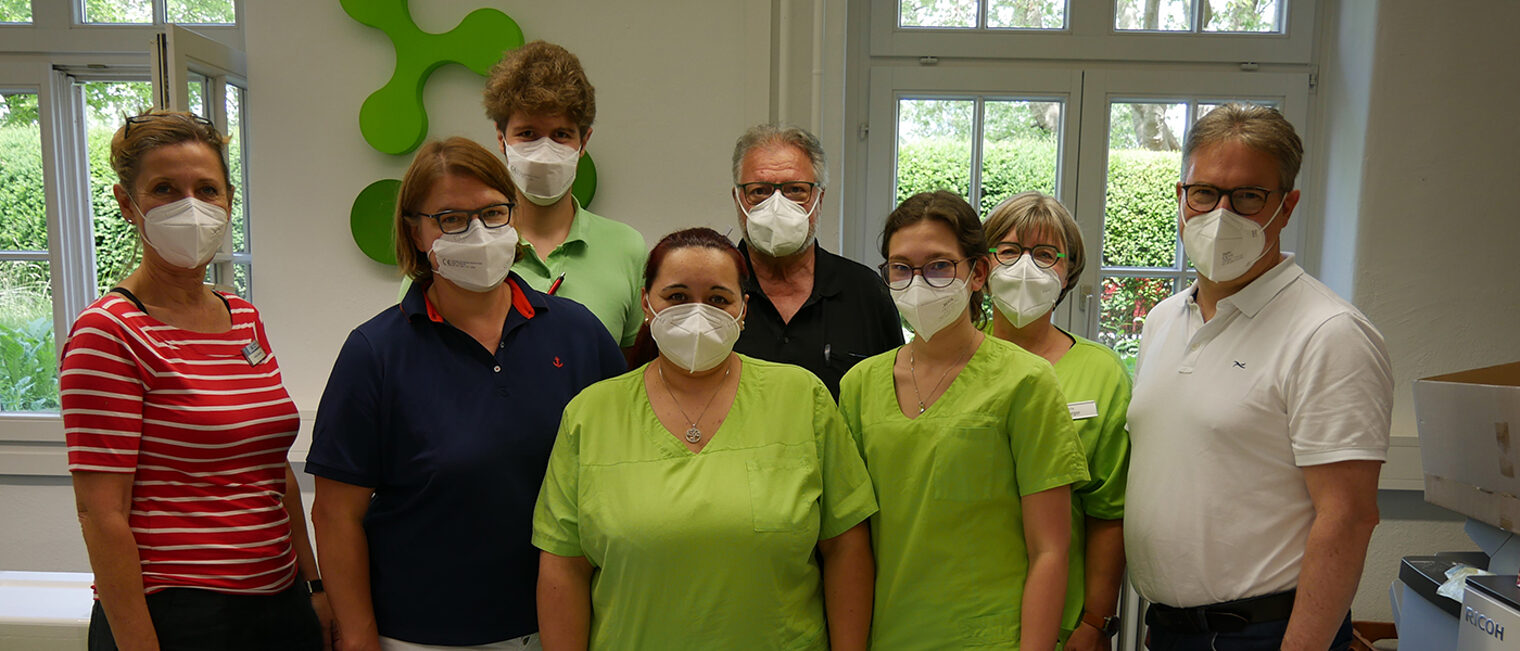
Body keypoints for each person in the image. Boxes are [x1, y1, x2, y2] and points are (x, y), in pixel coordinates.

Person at [307, 137, 624, 651]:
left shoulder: (576, 333)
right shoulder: (376, 353)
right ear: (416, 230)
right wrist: (359, 637)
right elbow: (335, 515)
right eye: (451, 219)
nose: (478, 233)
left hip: (561, 626)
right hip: (421, 634)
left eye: (494, 213)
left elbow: (624, 468)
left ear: (515, 217)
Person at [1125, 104, 1393, 650]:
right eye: (1204, 193)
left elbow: (1349, 518)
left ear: (1286, 206)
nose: (1220, 214)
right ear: (1181, 197)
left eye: (1248, 196)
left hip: (1264, 633)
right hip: (1169, 630)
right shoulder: (1163, 321)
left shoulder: (1328, 334)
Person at [533, 227, 877, 651]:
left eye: (718, 299)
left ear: (743, 309)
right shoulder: (590, 415)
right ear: (646, 304)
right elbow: (563, 567)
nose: (698, 314)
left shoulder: (800, 398)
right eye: (676, 297)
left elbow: (846, 547)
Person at [61, 110, 327, 650]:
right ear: (126, 203)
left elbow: (275, 469)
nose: (191, 206)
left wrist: (313, 584)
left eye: (207, 189)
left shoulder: (243, 318)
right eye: (164, 188)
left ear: (228, 200)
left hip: (277, 603)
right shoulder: (108, 332)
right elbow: (100, 513)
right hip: (177, 614)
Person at [838, 190, 1087, 650]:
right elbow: (849, 547)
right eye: (901, 267)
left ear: (978, 273)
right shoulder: (859, 386)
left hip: (990, 637)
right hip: (890, 634)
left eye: (939, 265)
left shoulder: (1025, 381)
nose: (918, 282)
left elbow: (1050, 550)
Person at [982, 192, 1131, 650]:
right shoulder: (954, 361)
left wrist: (1093, 623)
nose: (1025, 268)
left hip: (1065, 621)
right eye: (1008, 251)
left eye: (1045, 255)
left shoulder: (1101, 372)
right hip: (970, 607)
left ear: (1068, 272)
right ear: (981, 266)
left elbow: (1109, 513)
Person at [482, 40, 646, 350]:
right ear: (502, 139)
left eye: (561, 135)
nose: (544, 151)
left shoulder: (628, 249)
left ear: (584, 142)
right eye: (528, 133)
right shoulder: (466, 244)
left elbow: (634, 373)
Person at [730, 124, 902, 397]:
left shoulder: (865, 292)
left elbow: (891, 398)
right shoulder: (712, 292)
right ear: (738, 199)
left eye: (795, 190)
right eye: (759, 191)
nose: (777, 205)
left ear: (819, 199)